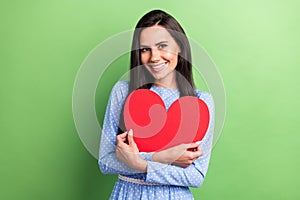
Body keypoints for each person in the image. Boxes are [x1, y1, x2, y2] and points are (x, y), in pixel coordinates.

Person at [98, 9, 215, 200]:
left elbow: (196, 176)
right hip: (128, 194)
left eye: (162, 46)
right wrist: (163, 157)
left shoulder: (201, 102)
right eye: (145, 49)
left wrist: (140, 164)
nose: (154, 57)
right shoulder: (123, 92)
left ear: (180, 47)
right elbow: (105, 162)